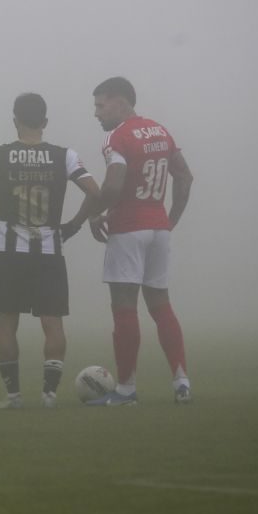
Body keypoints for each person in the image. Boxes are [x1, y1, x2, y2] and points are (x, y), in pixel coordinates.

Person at [0, 93, 101, 409]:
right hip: (48, 251)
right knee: (53, 323)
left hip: (9, 252)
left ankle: (13, 395)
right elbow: (93, 191)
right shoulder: (64, 156)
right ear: (45, 122)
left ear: (15, 120)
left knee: (6, 323)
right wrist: (73, 224)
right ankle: (49, 395)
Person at [86, 77, 194, 405]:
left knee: (124, 306)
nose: (96, 113)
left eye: (100, 105)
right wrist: (170, 220)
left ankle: (126, 389)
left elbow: (114, 187)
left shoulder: (117, 137)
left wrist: (93, 214)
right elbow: (184, 176)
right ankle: (181, 382)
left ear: (121, 101)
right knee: (161, 305)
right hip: (158, 228)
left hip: (129, 229)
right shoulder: (160, 131)